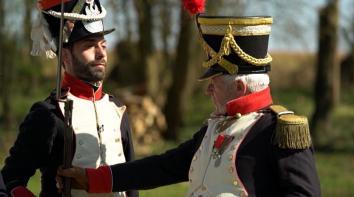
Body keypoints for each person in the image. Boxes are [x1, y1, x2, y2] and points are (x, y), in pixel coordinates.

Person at [58, 15, 321, 197]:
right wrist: (94, 179)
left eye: (214, 82)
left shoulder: (280, 132)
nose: (208, 89)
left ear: (239, 88)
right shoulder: (215, 128)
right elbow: (164, 167)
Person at [1, 0, 137, 197]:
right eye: (90, 45)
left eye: (103, 45)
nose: (101, 54)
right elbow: (10, 180)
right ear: (65, 55)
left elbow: (131, 181)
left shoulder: (117, 109)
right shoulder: (48, 114)